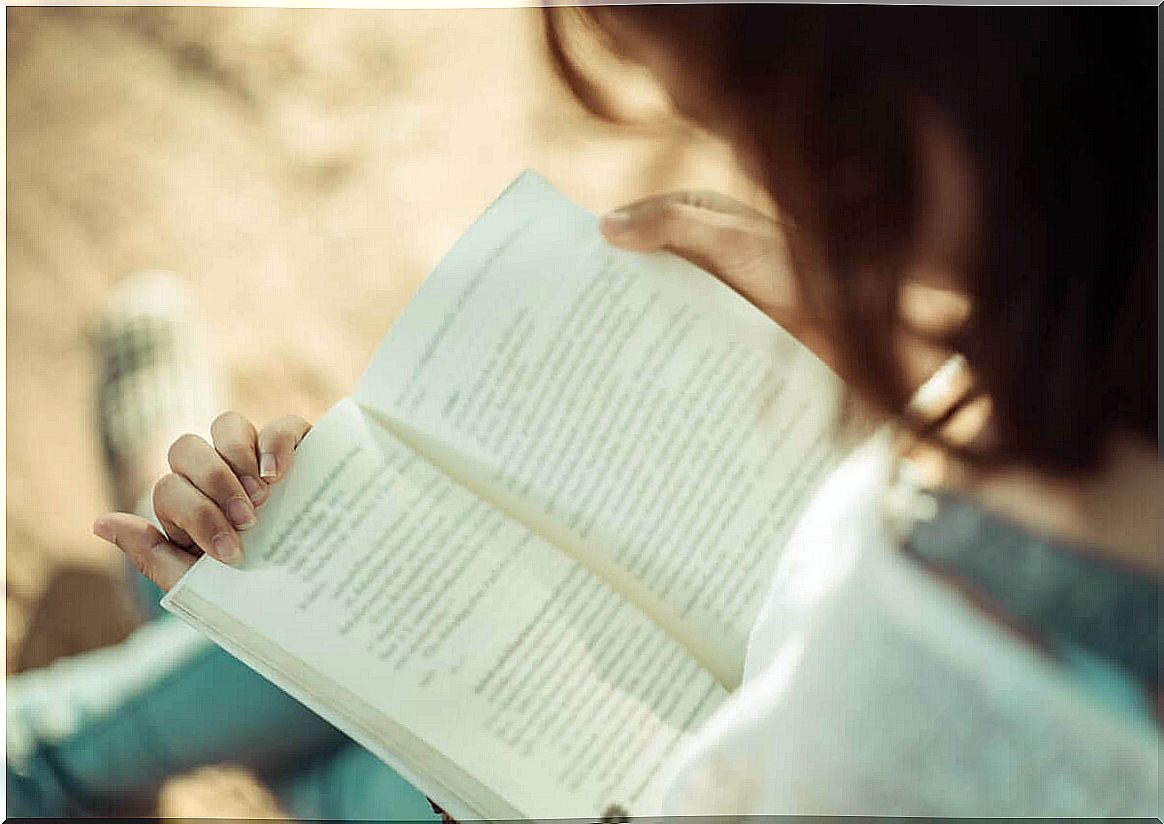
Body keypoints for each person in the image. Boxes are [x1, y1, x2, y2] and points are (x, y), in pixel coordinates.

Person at [11, 4, 1158, 817]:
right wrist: (889, 331)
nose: (781, 175)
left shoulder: (940, 652)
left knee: (344, 714)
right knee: (382, 572)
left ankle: (67, 735)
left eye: (784, 138)